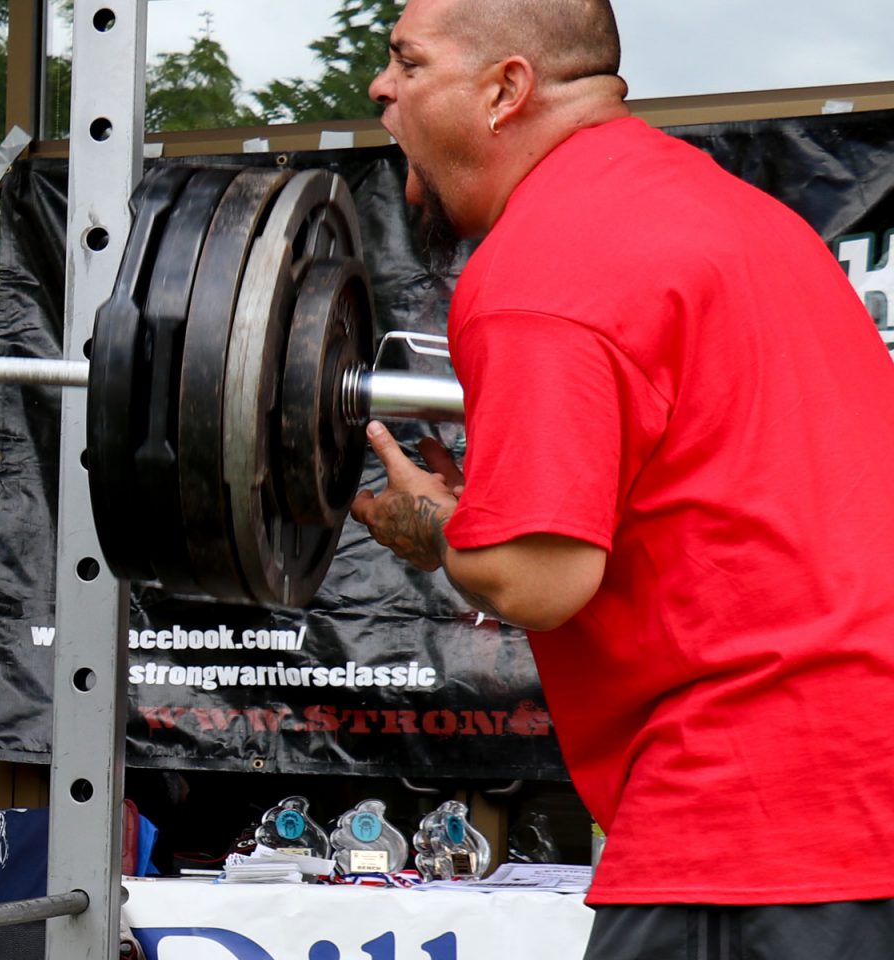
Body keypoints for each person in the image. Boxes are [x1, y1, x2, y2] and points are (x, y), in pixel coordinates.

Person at [348, 1, 894, 955]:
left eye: (407, 60)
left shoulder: (542, 263)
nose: (380, 86)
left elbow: (535, 576)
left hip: (758, 831)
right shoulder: (742, 219)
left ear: (505, 90)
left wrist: (434, 523)